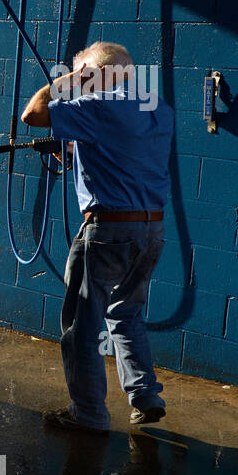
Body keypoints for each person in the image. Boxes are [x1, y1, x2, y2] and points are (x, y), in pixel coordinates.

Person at [20, 42, 174, 434]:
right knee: (124, 312)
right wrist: (71, 152)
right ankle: (146, 397)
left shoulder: (100, 103)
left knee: (81, 325)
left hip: (108, 230)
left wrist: (70, 80)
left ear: (95, 73)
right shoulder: (157, 106)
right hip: (151, 229)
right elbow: (122, 156)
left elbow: (32, 113)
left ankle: (88, 415)